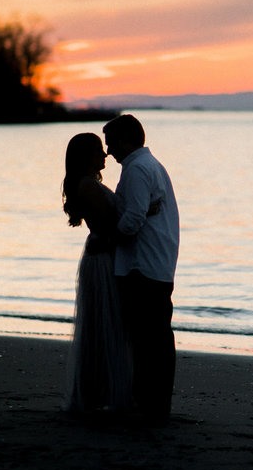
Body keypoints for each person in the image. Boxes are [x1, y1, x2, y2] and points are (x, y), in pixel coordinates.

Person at [103, 114, 181, 425]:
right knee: (156, 337)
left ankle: (151, 404)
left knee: (148, 339)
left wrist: (109, 242)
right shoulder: (151, 166)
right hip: (156, 263)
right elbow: (140, 212)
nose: (109, 151)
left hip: (142, 266)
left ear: (126, 140)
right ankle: (155, 403)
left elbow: (133, 219)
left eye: (111, 143)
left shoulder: (136, 169)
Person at [60, 132, 132, 415]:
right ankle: (98, 393)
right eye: (99, 151)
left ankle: (98, 391)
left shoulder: (88, 184)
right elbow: (112, 226)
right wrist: (146, 212)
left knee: (104, 324)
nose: (105, 155)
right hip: (102, 260)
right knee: (104, 324)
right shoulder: (88, 186)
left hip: (103, 255)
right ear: (87, 156)